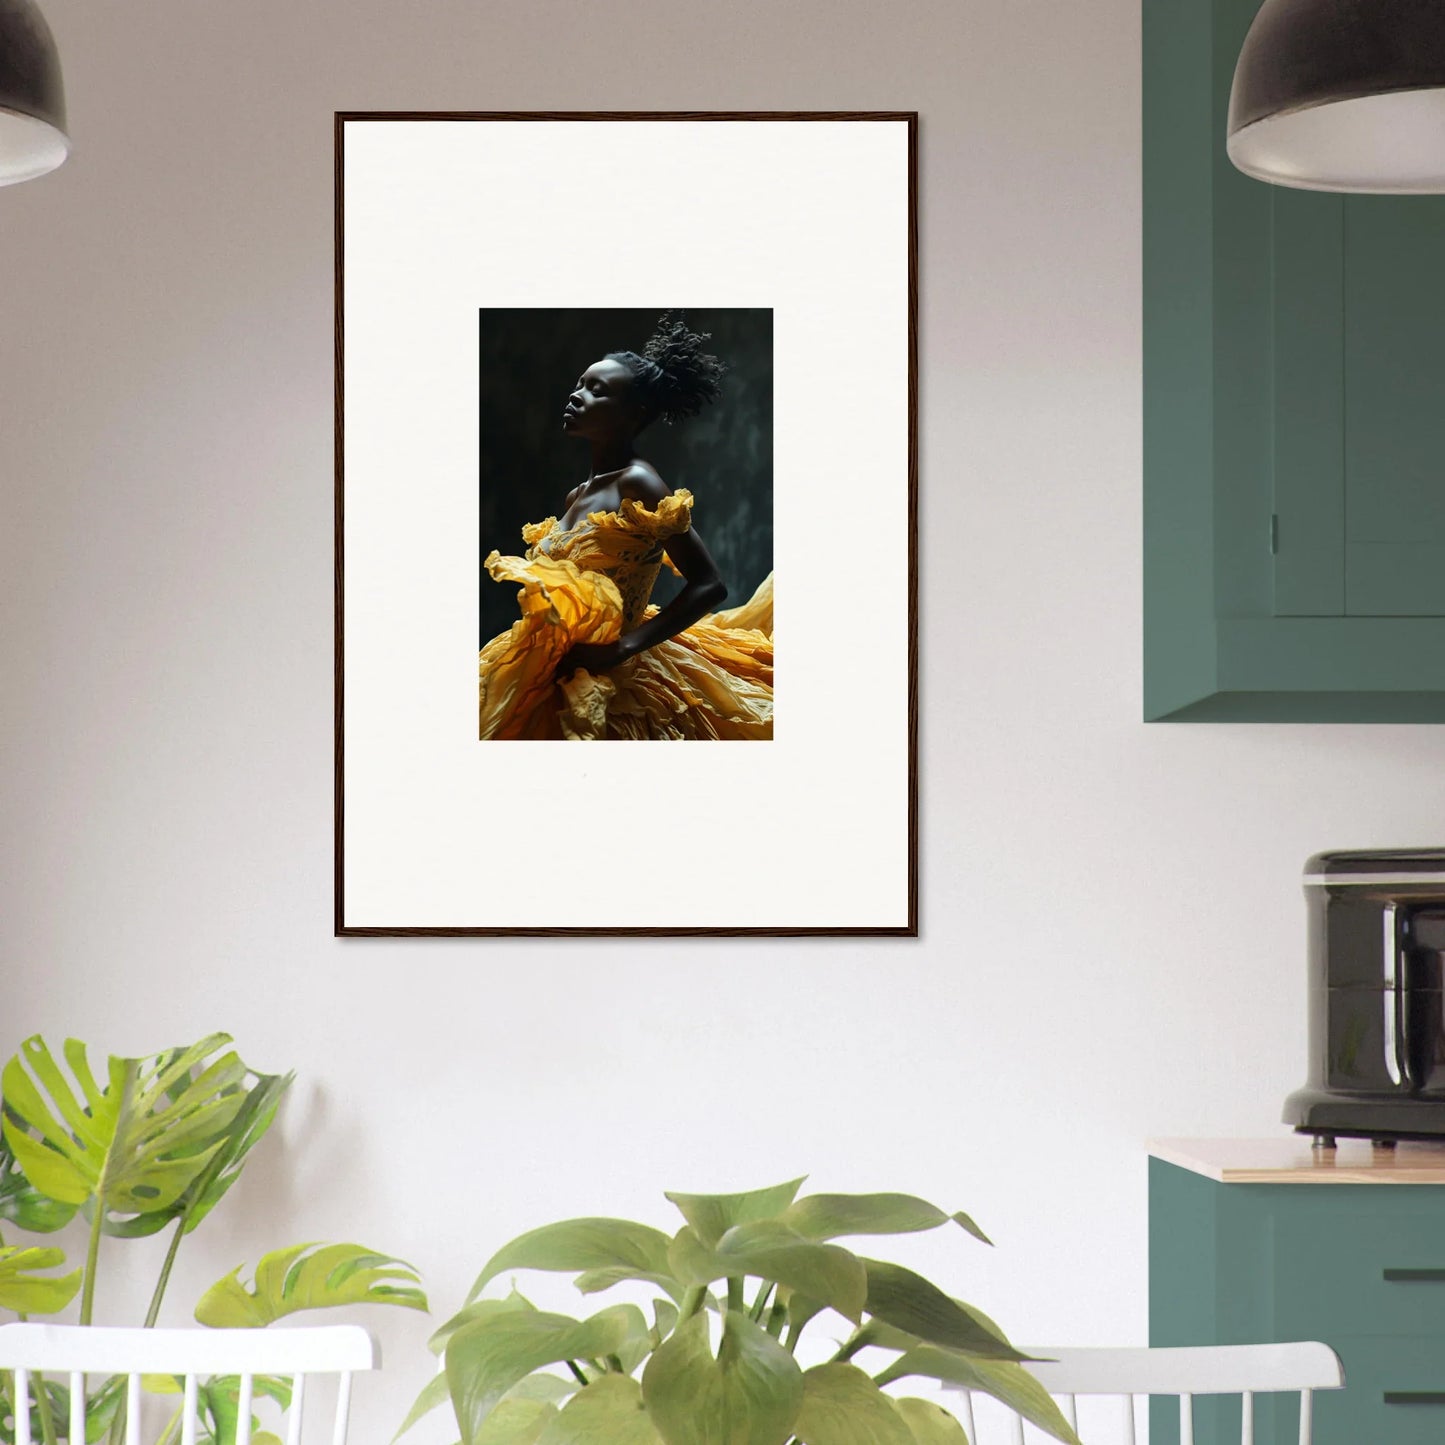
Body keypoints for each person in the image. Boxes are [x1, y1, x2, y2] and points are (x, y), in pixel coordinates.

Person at [478, 311, 774, 741]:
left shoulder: (639, 481)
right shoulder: (577, 495)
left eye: (597, 391)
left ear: (632, 414)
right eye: (580, 383)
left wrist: (622, 648)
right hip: (549, 667)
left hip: (619, 680)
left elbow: (709, 584)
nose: (577, 394)